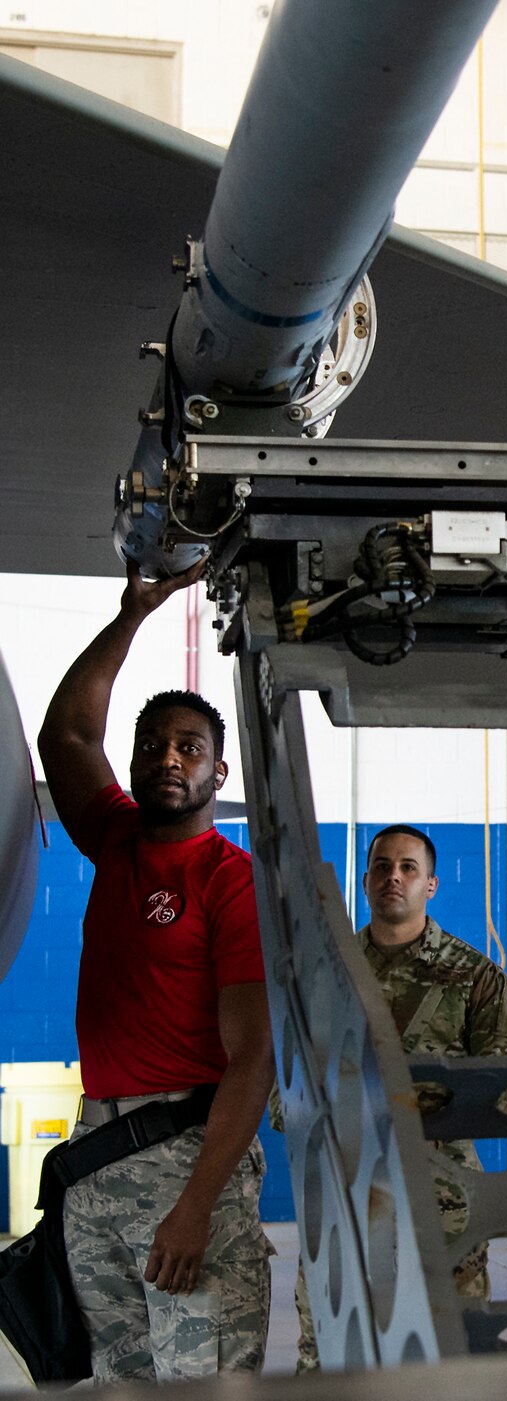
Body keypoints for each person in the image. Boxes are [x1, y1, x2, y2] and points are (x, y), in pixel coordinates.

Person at [36, 561, 274, 1382]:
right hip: (96, 1152)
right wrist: (133, 613)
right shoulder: (115, 839)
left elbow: (256, 1058)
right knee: (119, 1380)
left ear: (219, 774)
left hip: (186, 1158)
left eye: (190, 747)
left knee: (205, 1380)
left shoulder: (228, 878)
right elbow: (65, 737)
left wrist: (199, 1203)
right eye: (153, 745)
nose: (168, 757)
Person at [290, 824, 507, 1370]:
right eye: (381, 866)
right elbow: (288, 1086)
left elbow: (505, 1087)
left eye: (408, 868)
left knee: (452, 1347)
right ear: (364, 878)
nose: (393, 877)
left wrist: (406, 1116)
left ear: (432, 885)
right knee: (331, 1346)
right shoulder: (323, 973)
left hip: (442, 1202)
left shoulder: (476, 977)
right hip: (343, 1195)